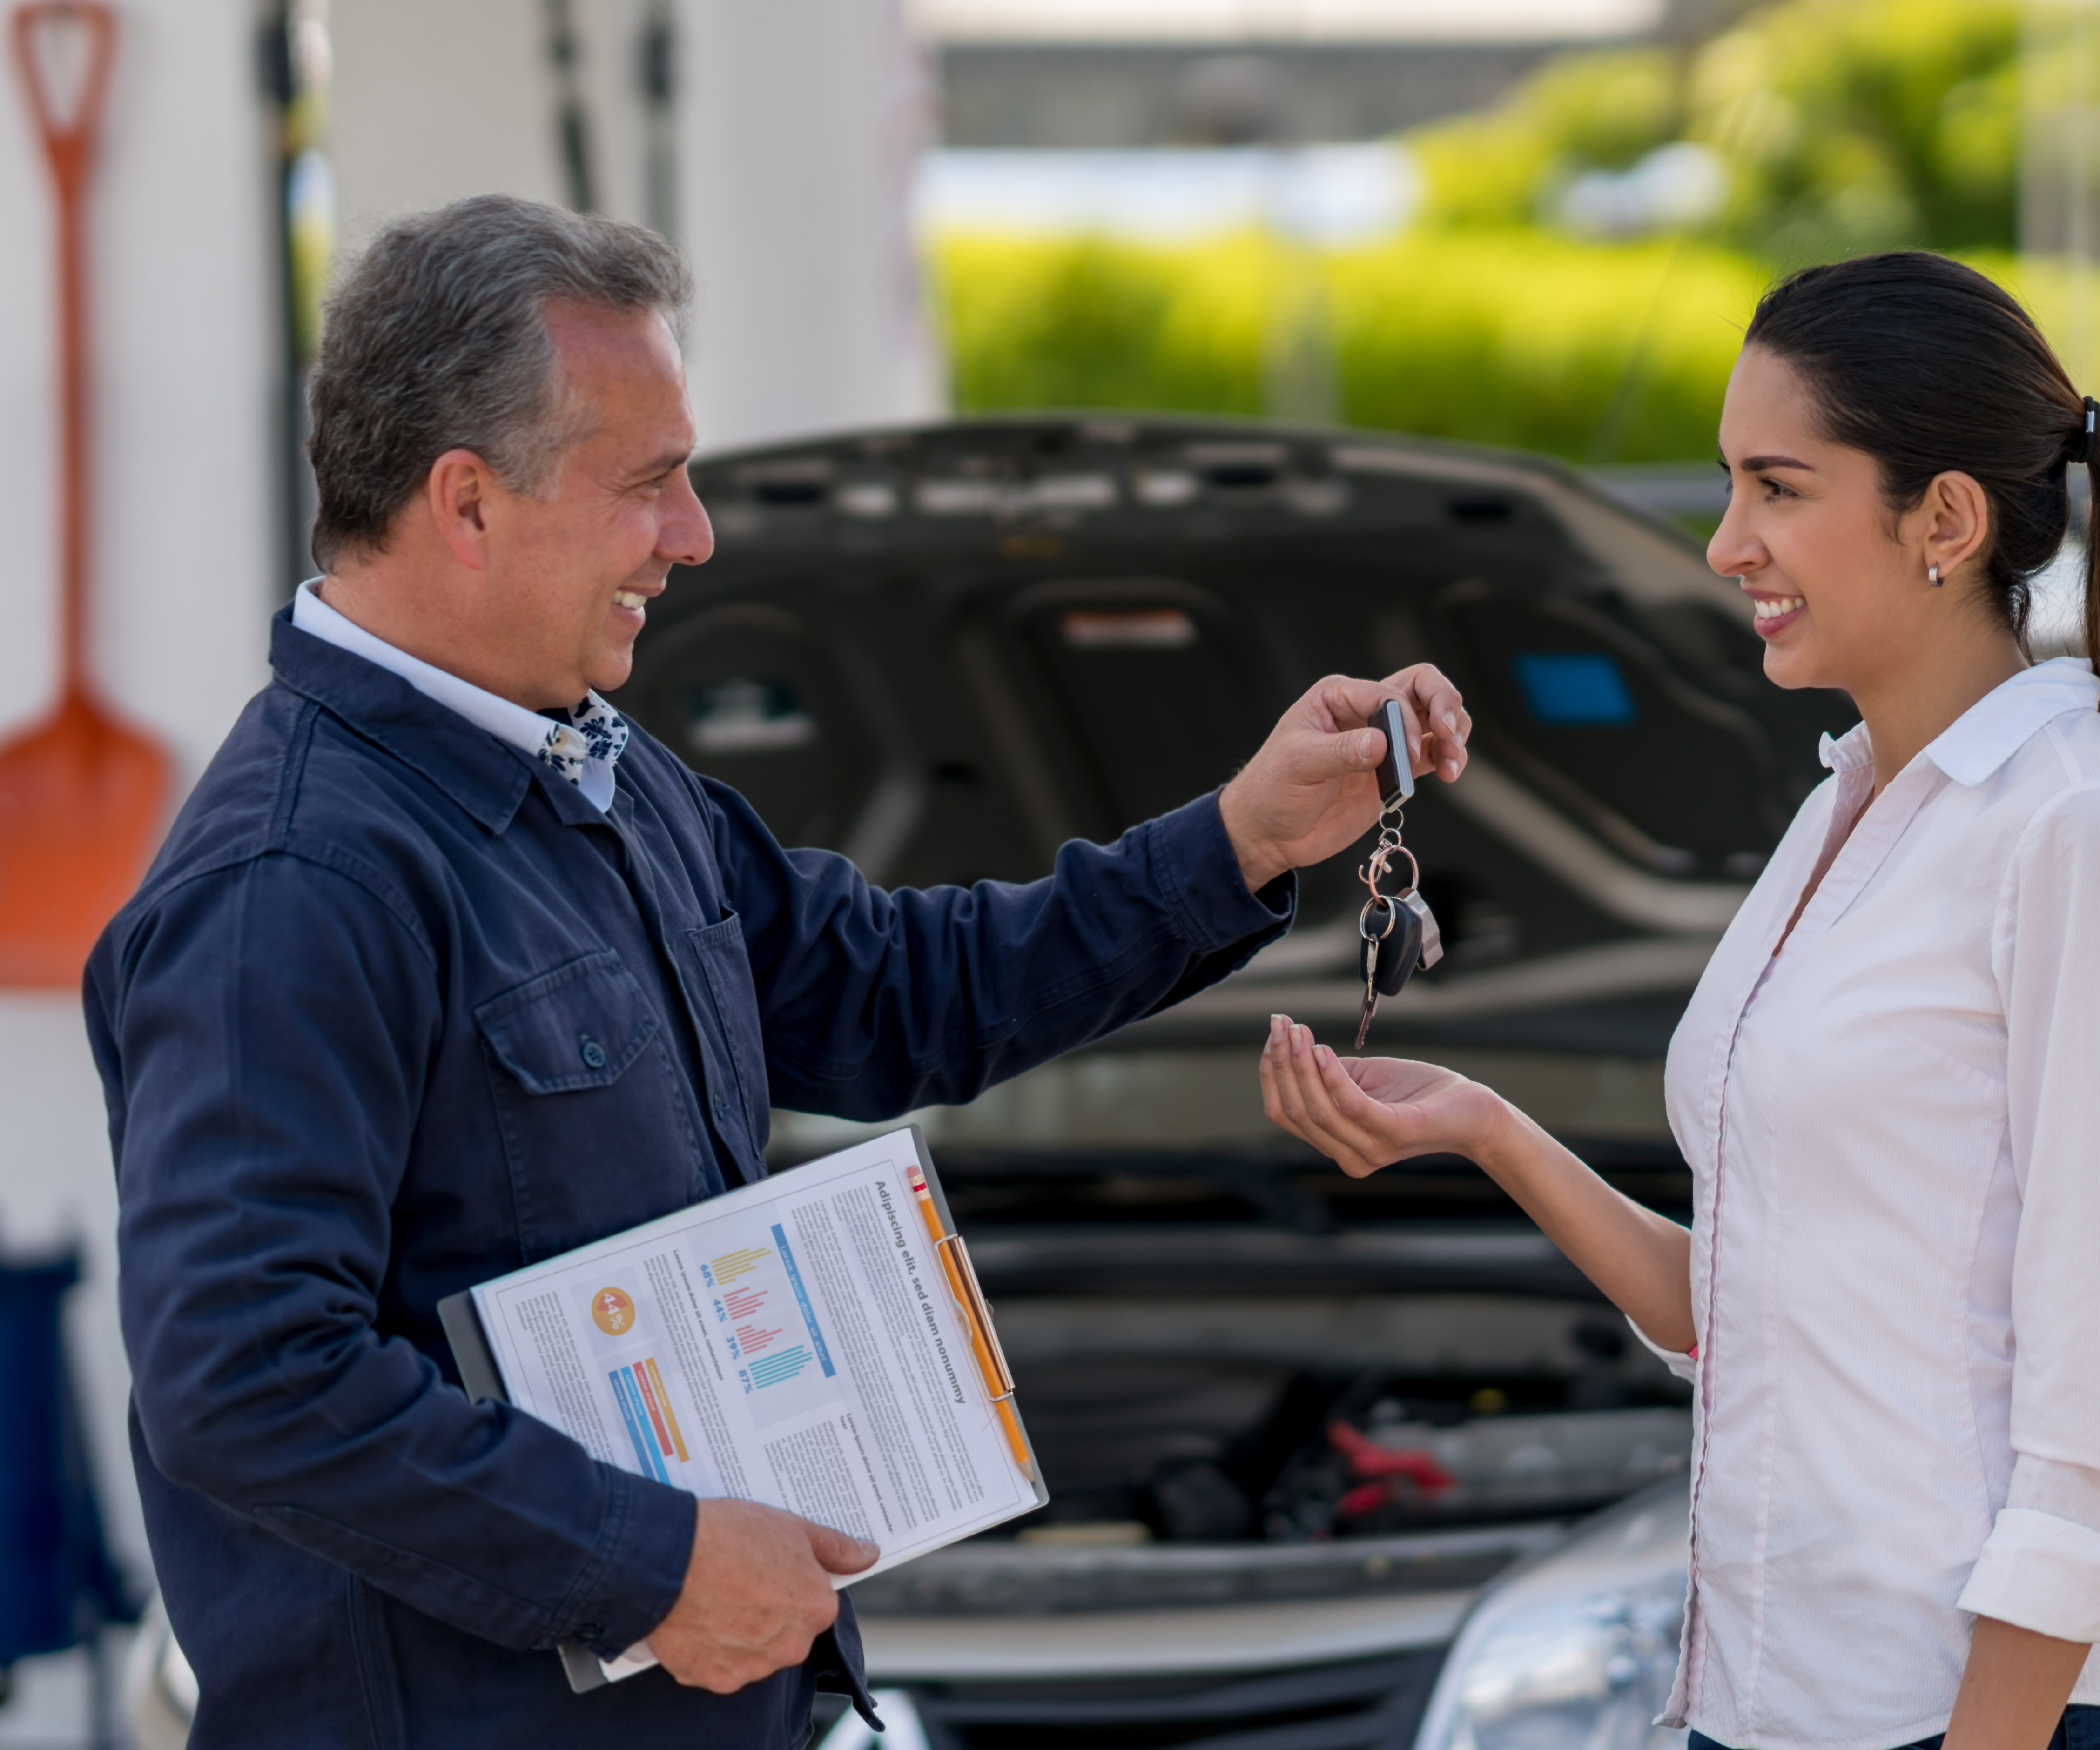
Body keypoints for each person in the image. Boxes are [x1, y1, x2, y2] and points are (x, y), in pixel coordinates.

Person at [88, 194, 1471, 1750]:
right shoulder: (295, 886)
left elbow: (892, 995)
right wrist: (648, 1567)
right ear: (466, 503)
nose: (695, 536)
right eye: (651, 485)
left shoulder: (600, 774)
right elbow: (249, 1373)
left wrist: (1237, 841)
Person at [1258, 250, 2100, 1750]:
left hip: (1971, 1715)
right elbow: (1746, 1308)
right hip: (1764, 1696)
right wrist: (1487, 1129)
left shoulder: (2077, 825)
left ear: (1946, 521)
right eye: (1730, 487)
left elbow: (2087, 1424)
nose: (1725, 545)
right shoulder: (1838, 804)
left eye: (1777, 487)